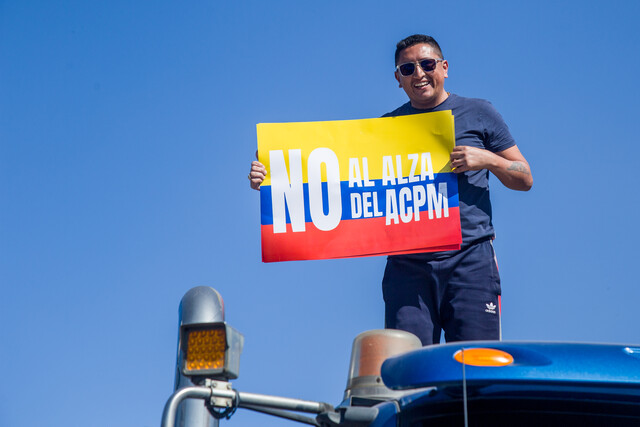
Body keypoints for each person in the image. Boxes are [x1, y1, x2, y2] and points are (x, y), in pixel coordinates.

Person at [248, 34, 532, 346]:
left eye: (427, 64)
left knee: (474, 366)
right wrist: (273, 177)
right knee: (408, 367)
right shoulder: (386, 129)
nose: (419, 74)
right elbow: (335, 178)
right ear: (398, 79)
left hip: (470, 259)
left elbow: (524, 177)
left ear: (445, 67)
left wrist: (487, 159)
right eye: (408, 69)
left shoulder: (478, 112)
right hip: (407, 268)